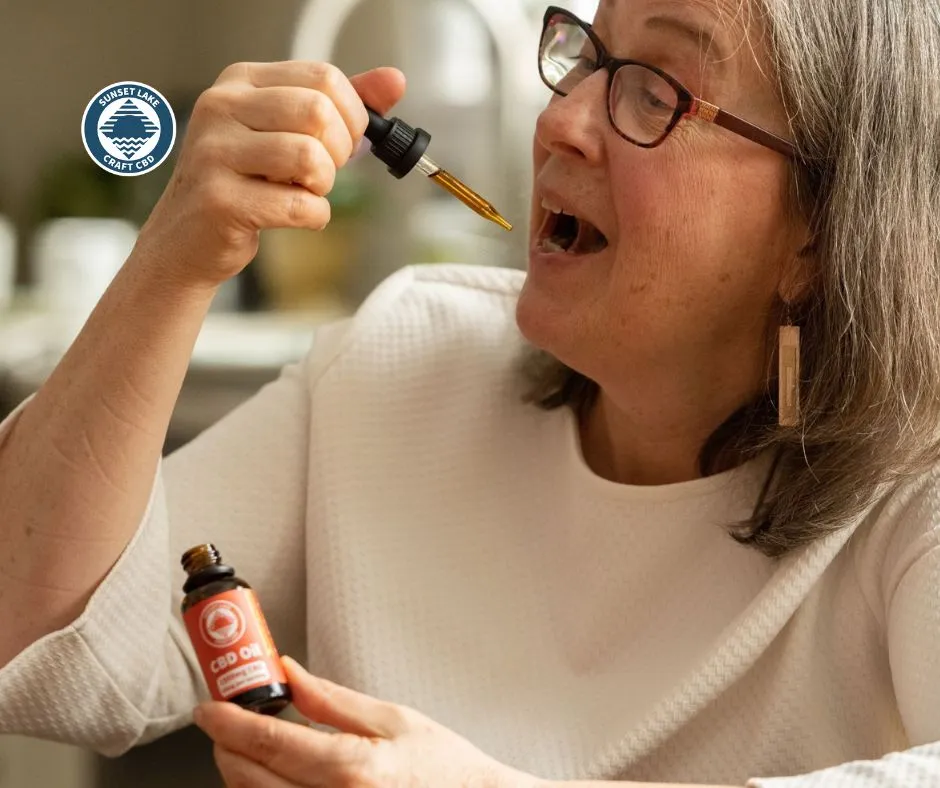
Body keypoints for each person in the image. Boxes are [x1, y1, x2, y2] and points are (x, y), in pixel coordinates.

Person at [1, 1, 938, 786]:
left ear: (818, 228)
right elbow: (35, 653)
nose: (562, 121)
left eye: (657, 91)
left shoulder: (916, 480)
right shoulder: (401, 364)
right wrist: (171, 263)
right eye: (587, 59)